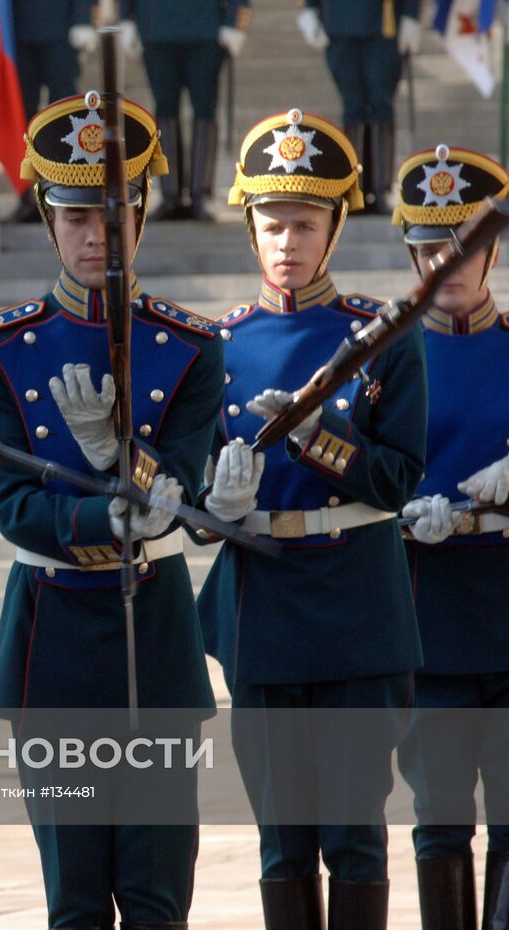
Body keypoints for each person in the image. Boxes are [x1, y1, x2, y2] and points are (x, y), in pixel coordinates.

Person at [0, 91, 222, 927]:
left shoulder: (188, 345)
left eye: (112, 216)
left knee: (156, 897)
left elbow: (185, 477)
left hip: (152, 628)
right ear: (48, 217)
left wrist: (127, 463)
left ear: (141, 218)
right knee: (74, 900)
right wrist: (95, 517)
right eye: (76, 216)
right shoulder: (2, 346)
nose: (94, 237)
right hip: (55, 634)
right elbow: (9, 504)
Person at [197, 109, 427, 929]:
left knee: (355, 834)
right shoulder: (215, 345)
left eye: (303, 222)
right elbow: (194, 493)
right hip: (262, 602)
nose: (286, 241)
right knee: (280, 839)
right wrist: (213, 504)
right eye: (271, 224)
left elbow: (399, 477)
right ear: (250, 229)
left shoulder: (381, 340)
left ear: (332, 226)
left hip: (358, 603)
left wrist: (322, 441)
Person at [389, 144, 509, 930]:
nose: (446, 260)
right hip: (425, 610)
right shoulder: (386, 358)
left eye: (462, 244)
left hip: (507, 607)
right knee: (438, 820)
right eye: (430, 245)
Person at [121, 0, 249, 221]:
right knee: (164, 110)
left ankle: (202, 193)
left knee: (205, 110)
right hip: (155, 26)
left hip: (205, 28)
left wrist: (235, 21)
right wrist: (126, 17)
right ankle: (170, 193)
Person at [297, 0, 423, 214]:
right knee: (352, 107)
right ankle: (355, 188)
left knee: (380, 105)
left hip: (383, 26)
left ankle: (380, 189)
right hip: (338, 23)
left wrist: (411, 14)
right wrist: (310, 8)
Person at [5, 1, 97, 224]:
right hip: (15, 29)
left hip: (61, 27)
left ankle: (67, 189)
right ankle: (30, 195)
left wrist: (83, 17)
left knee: (65, 114)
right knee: (23, 116)